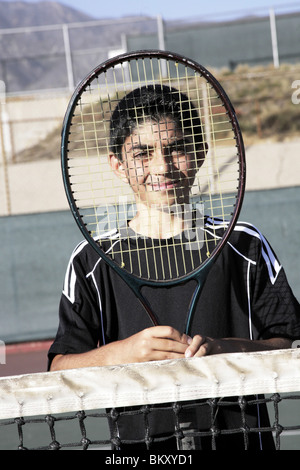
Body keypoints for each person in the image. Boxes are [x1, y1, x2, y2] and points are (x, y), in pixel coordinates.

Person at [48, 85, 300, 450]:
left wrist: (228, 349)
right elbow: (58, 370)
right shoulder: (91, 262)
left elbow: (289, 343)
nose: (161, 166)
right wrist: (124, 353)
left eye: (176, 148)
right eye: (142, 153)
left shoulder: (243, 246)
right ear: (117, 165)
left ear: (199, 154)